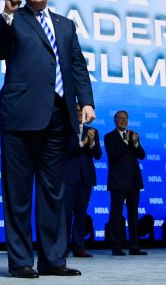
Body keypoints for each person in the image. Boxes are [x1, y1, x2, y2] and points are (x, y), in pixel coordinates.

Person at [0, 0, 95, 279]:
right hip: (20, 116)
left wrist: (86, 102)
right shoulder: (14, 19)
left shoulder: (66, 25)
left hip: (58, 118)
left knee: (53, 192)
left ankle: (53, 260)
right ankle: (21, 261)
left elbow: (77, 65)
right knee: (18, 193)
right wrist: (5, 17)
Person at [104, 110, 147, 256]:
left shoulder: (133, 135)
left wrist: (135, 143)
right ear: (115, 120)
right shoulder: (109, 137)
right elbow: (114, 156)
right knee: (116, 215)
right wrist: (127, 142)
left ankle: (134, 246)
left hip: (134, 182)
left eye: (125, 118)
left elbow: (142, 155)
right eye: (120, 118)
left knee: (133, 214)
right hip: (118, 182)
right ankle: (116, 246)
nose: (123, 121)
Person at [64, 105, 102, 258]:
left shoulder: (92, 131)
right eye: (77, 112)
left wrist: (91, 143)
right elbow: (66, 152)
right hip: (68, 178)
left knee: (81, 214)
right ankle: (62, 248)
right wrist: (82, 143)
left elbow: (98, 155)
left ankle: (79, 247)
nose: (80, 114)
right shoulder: (65, 130)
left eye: (82, 112)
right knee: (65, 215)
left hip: (85, 179)